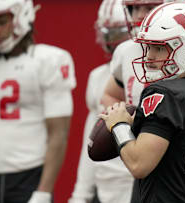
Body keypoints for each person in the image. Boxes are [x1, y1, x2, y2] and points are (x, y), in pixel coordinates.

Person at [0, 0, 76, 202]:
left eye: (1, 22)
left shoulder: (49, 59)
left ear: (21, 16)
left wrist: (44, 190)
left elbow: (58, 134)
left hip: (28, 175)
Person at [100, 3, 185, 202]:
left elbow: (138, 164)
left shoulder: (164, 93)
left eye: (159, 48)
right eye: (149, 47)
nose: (149, 56)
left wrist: (119, 125)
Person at [68, 1, 133, 203]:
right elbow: (92, 135)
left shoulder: (150, 74)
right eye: (107, 34)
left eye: (116, 34)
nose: (109, 41)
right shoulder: (98, 76)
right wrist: (81, 193)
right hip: (104, 182)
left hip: (137, 180)